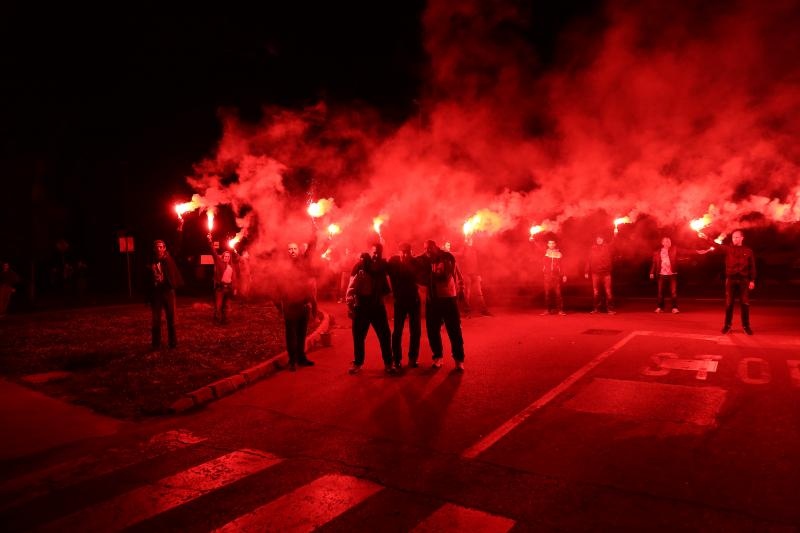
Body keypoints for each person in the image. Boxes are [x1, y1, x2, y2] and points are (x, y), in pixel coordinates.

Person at [346, 244, 394, 375]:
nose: (376, 255)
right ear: (369, 252)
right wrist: (350, 306)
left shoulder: (381, 268)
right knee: (358, 336)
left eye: (378, 252)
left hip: (377, 306)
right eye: (374, 252)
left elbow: (386, 287)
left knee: (385, 336)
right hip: (361, 307)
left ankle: (389, 363)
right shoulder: (359, 267)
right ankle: (358, 362)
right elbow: (351, 288)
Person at [422, 240, 465, 371]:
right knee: (432, 330)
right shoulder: (426, 260)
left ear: (435, 247)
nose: (428, 251)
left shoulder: (447, 257)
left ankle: (459, 359)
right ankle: (438, 357)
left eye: (430, 248)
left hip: (448, 298)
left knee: (454, 330)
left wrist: (461, 287)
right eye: (426, 249)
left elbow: (447, 275)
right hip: (433, 300)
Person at [705, 230, 756, 335]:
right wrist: (706, 237)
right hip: (730, 280)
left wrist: (752, 280)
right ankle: (727, 326)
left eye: (737, 237)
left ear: (742, 238)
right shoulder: (728, 249)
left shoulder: (748, 251)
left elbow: (752, 266)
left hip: (743, 280)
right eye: (733, 237)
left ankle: (746, 326)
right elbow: (716, 245)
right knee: (729, 303)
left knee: (745, 303)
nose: (735, 239)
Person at [276, 241, 317, 371]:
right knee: (291, 334)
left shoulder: (303, 264)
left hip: (303, 305)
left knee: (301, 333)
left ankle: (301, 357)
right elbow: (278, 287)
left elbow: (308, 283)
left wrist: (310, 302)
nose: (292, 251)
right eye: (290, 249)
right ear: (287, 252)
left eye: (295, 248)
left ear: (298, 251)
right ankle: (292, 360)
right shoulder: (283, 267)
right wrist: (280, 305)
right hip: (290, 306)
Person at [387, 242, 422, 369]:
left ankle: (413, 358)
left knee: (416, 330)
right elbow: (382, 267)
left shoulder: (414, 262)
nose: (405, 254)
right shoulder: (393, 262)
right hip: (400, 301)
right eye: (403, 252)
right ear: (399, 251)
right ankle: (397, 359)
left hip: (413, 300)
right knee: (397, 331)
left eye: (407, 252)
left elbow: (419, 274)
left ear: (410, 251)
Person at [649, 237, 705, 314]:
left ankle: (674, 308)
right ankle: (660, 307)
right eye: (666, 241)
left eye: (669, 241)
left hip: (672, 274)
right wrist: (651, 272)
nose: (668, 242)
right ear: (662, 243)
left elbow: (686, 251)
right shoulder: (657, 252)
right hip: (661, 274)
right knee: (660, 292)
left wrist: (697, 251)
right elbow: (654, 263)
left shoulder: (674, 249)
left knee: (673, 292)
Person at [148, 240, 183, 349]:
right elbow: (147, 277)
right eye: (157, 247)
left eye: (161, 247)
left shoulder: (168, 259)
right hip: (156, 293)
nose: (159, 249)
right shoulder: (151, 261)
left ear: (164, 248)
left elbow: (177, 246)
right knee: (156, 319)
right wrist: (153, 277)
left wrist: (179, 230)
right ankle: (156, 344)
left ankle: (172, 343)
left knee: (171, 318)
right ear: (154, 249)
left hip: (168, 292)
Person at [208, 234, 238, 324]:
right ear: (223, 257)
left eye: (228, 257)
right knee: (218, 305)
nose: (227, 258)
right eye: (225, 256)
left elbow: (234, 278)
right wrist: (210, 241)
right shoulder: (219, 263)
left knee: (226, 306)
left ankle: (225, 320)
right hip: (220, 288)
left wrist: (235, 288)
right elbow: (213, 252)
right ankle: (217, 320)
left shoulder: (232, 266)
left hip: (228, 288)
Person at [460, 237, 491, 317]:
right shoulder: (463, 250)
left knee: (479, 293)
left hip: (475, 274)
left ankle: (484, 311)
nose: (470, 241)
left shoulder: (474, 250)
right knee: (467, 293)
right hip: (466, 274)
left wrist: (479, 274)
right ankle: (467, 311)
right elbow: (458, 255)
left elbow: (479, 263)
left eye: (471, 240)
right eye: (468, 240)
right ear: (465, 241)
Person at [585, 235, 615, 314]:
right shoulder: (592, 248)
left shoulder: (607, 247)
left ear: (603, 239)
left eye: (600, 239)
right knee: (596, 292)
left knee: (608, 292)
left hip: (606, 273)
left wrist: (615, 233)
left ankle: (610, 309)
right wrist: (586, 271)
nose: (599, 240)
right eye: (597, 239)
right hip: (595, 273)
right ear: (596, 240)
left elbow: (614, 243)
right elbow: (589, 260)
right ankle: (596, 309)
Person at [541, 239, 567, 315]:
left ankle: (560, 310)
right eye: (550, 243)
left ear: (555, 244)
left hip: (556, 276)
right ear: (548, 244)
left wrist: (564, 275)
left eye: (553, 243)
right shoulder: (545, 252)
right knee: (547, 293)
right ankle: (547, 310)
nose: (551, 244)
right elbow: (537, 247)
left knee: (558, 293)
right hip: (547, 275)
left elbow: (563, 265)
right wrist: (533, 241)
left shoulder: (559, 254)